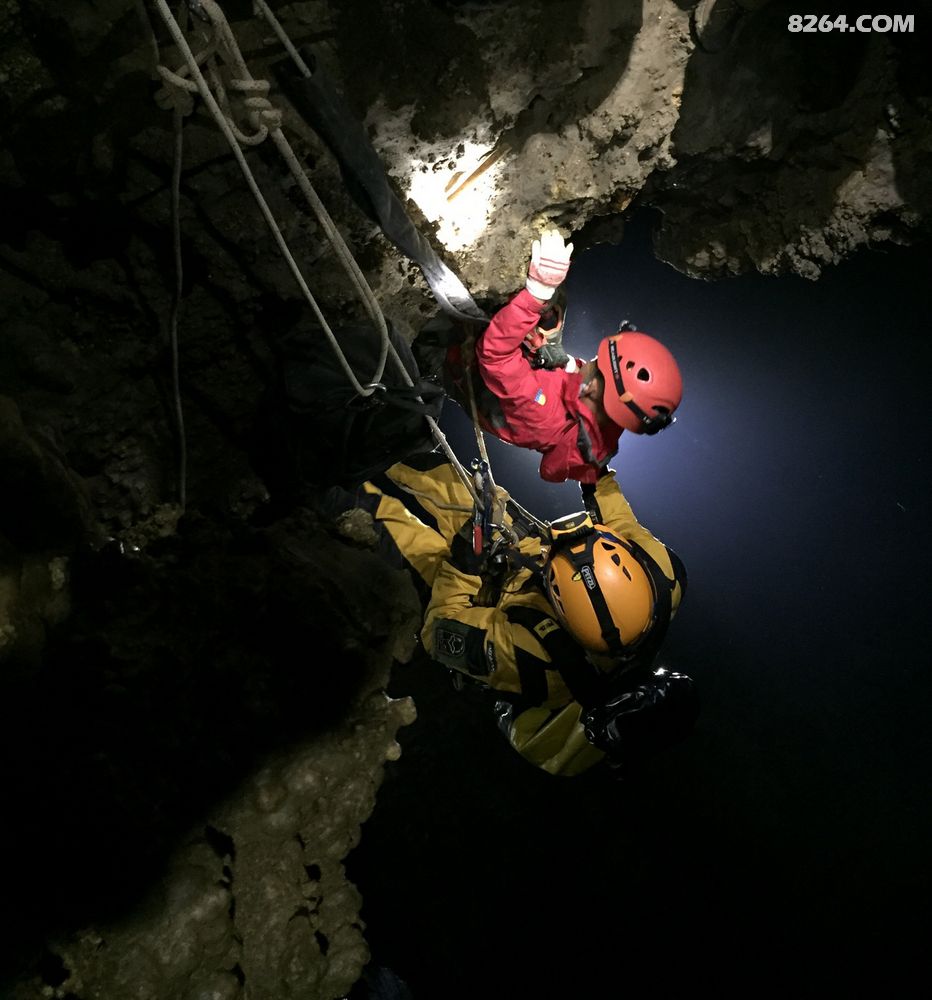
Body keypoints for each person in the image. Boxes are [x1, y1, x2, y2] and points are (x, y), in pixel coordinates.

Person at [332, 453, 697, 777]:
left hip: (482, 600)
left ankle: (315, 485)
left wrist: (462, 566)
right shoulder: (661, 576)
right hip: (519, 552)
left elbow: (438, 632)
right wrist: (592, 467)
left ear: (560, 607)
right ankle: (371, 429)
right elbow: (620, 518)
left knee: (386, 525)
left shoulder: (536, 663)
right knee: (444, 477)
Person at [473, 228, 685, 484]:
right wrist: (567, 363)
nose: (591, 360)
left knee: (541, 300)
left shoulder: (542, 412)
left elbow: (494, 356)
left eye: (597, 362)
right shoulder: (612, 412)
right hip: (545, 383)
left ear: (593, 388)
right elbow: (583, 377)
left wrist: (535, 294)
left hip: (480, 380)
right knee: (553, 303)